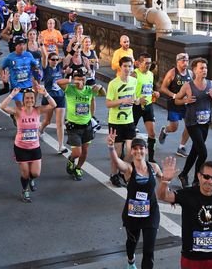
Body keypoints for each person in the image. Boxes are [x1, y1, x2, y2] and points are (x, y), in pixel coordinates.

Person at [107, 133, 162, 269]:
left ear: (146, 150)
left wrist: (167, 180)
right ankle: (131, 261)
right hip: (133, 214)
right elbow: (118, 163)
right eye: (135, 148)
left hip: (151, 212)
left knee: (149, 250)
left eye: (141, 148)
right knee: (132, 242)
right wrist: (111, 147)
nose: (139, 151)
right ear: (131, 151)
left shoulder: (154, 167)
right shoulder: (129, 169)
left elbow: (164, 179)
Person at [0, 87, 56, 203]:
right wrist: (12, 95)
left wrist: (46, 93)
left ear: (34, 99)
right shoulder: (18, 111)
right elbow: (2, 107)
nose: (29, 100)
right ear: (24, 99)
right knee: (25, 174)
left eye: (31, 98)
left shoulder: (38, 110)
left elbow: (53, 105)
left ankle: (32, 180)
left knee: (35, 173)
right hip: (21, 148)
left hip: (35, 147)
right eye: (27, 98)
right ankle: (25, 190)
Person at [177, 57, 212, 188]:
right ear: (194, 70)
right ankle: (196, 179)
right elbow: (176, 100)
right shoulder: (188, 86)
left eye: (205, 68)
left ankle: (183, 175)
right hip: (192, 123)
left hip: (205, 123)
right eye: (201, 68)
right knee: (203, 153)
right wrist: (185, 101)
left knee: (195, 152)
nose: (204, 70)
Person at [58, 67, 104, 181]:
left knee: (85, 151)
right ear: (74, 79)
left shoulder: (89, 89)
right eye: (78, 79)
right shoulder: (70, 89)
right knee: (77, 152)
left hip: (87, 125)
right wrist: (73, 82)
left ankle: (78, 168)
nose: (81, 82)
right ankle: (71, 159)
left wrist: (101, 87)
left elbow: (103, 94)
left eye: (83, 79)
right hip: (74, 126)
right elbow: (58, 82)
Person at [106, 56, 142, 188]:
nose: (127, 69)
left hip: (129, 120)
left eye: (130, 66)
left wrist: (138, 101)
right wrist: (122, 101)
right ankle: (113, 174)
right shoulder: (113, 83)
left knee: (132, 150)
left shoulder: (134, 81)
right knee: (117, 150)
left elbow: (135, 98)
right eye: (125, 66)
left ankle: (122, 171)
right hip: (115, 121)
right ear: (120, 67)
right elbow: (108, 103)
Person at [158, 53, 193, 157]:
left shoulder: (190, 73)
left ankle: (181, 147)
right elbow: (163, 88)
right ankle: (165, 130)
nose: (185, 63)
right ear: (177, 61)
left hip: (187, 103)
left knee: (189, 125)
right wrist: (174, 95)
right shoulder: (172, 73)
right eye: (183, 61)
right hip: (174, 103)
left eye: (187, 60)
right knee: (174, 127)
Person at [132, 53, 160, 163]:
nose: (148, 65)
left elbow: (148, 89)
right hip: (136, 107)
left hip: (148, 106)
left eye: (150, 63)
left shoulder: (150, 74)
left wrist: (154, 93)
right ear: (139, 63)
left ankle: (151, 159)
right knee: (129, 133)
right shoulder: (134, 75)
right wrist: (137, 100)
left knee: (152, 133)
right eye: (146, 63)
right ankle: (123, 153)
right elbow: (128, 92)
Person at [0, 36, 41, 110]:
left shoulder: (28, 55)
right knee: (21, 106)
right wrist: (3, 79)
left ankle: (16, 116)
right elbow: (1, 68)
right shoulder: (10, 57)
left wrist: (37, 72)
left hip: (28, 85)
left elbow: (35, 66)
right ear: (15, 46)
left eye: (23, 44)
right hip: (16, 87)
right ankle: (16, 116)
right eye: (19, 45)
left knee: (28, 107)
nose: (22, 47)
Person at [38, 49, 67, 153]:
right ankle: (40, 130)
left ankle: (61, 146)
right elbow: (44, 56)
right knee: (47, 121)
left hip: (60, 97)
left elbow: (70, 56)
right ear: (49, 60)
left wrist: (76, 43)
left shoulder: (60, 67)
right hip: (49, 97)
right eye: (53, 59)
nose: (55, 61)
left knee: (60, 123)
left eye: (56, 59)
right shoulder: (46, 69)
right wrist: (42, 46)